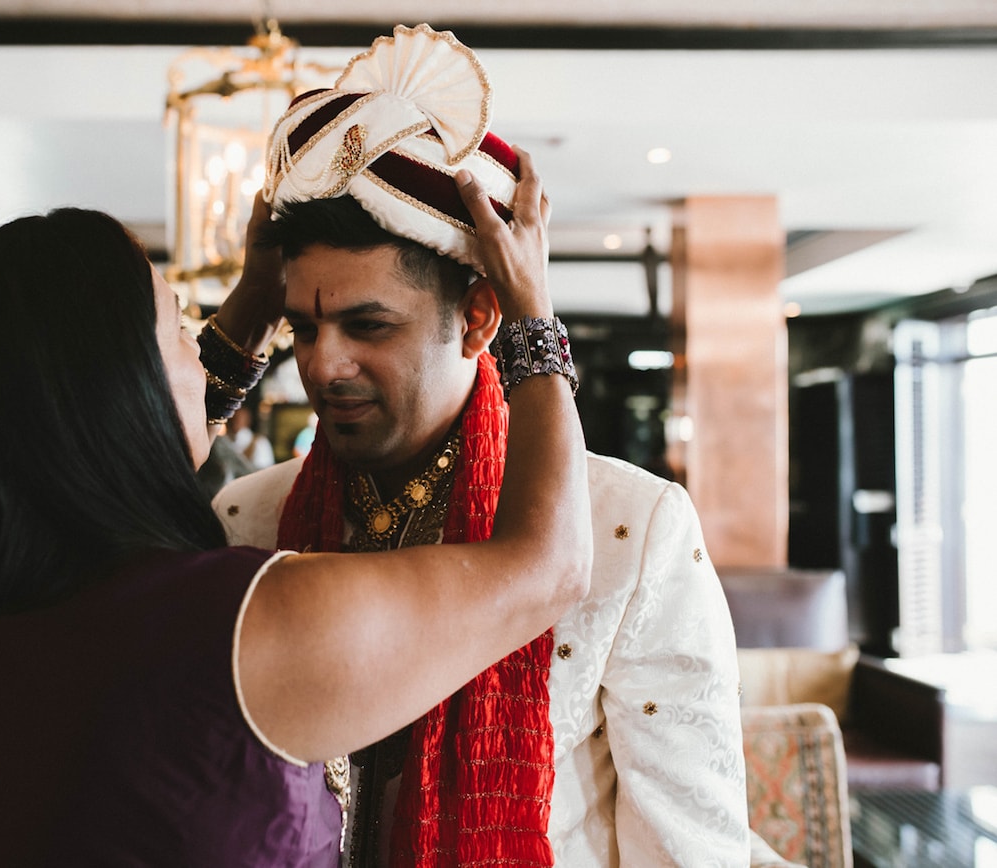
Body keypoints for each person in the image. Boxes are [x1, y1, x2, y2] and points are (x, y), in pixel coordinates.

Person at [0, 126, 591, 863]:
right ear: (117, 397)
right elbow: (547, 568)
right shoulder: (249, 620)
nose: (320, 364)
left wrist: (260, 298)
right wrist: (534, 316)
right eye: (179, 329)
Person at [214, 23, 750, 867]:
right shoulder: (246, 518)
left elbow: (692, 852)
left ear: (477, 319)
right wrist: (242, 314)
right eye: (302, 325)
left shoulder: (630, 531)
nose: (322, 364)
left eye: (367, 325)